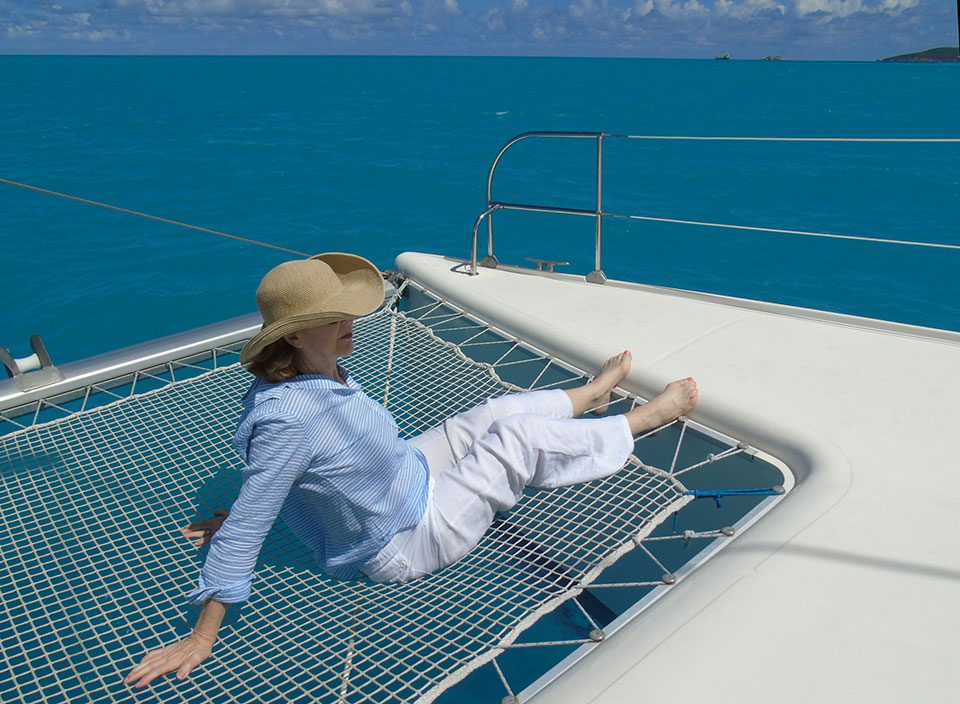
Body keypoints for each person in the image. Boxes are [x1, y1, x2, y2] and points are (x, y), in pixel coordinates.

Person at [123, 252, 699, 689]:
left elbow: (298, 477)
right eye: (333, 318)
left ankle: (592, 396)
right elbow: (258, 509)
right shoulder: (289, 420)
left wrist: (264, 502)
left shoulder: (317, 368)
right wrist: (203, 635)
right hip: (405, 537)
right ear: (294, 334)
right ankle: (641, 421)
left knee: (489, 417)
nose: (350, 322)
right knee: (516, 441)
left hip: (405, 472)